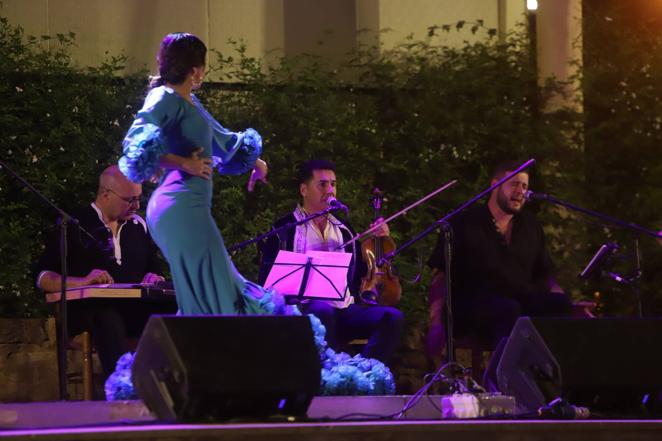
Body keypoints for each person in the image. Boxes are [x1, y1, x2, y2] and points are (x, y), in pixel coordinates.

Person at [118, 32, 270, 316]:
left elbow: (224, 141)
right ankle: (207, 352)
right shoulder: (162, 97)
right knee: (214, 290)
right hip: (177, 207)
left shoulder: (191, 103)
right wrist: (182, 163)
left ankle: (205, 353)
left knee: (220, 285)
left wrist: (256, 162)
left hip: (193, 207)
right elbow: (135, 144)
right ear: (196, 69)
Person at [258, 159, 403, 364]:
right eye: (322, 184)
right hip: (304, 311)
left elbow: (365, 273)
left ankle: (361, 372)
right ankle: (327, 376)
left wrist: (382, 240)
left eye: (333, 184)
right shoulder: (284, 229)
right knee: (321, 310)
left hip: (343, 309)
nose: (330, 190)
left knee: (391, 317)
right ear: (304, 190)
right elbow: (267, 280)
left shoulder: (344, 230)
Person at [426, 161, 572, 354]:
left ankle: (550, 377)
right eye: (514, 184)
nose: (521, 191)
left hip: (521, 299)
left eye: (525, 186)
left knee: (559, 305)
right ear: (495, 184)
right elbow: (441, 274)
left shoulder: (530, 226)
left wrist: (567, 302)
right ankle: (502, 378)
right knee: (509, 310)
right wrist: (435, 321)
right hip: (475, 304)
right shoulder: (463, 222)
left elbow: (545, 274)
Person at [36, 164, 168, 375]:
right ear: (106, 194)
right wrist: (83, 281)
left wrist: (155, 277)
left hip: (132, 309)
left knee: (173, 313)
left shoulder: (138, 225)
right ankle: (122, 388)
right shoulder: (74, 223)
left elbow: (154, 268)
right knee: (108, 318)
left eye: (139, 198)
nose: (136, 205)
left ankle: (175, 389)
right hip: (87, 311)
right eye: (130, 200)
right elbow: (43, 277)